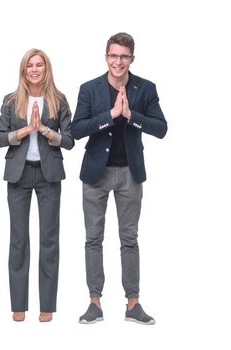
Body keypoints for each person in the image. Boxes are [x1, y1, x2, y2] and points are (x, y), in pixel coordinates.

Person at [71, 32, 167, 325]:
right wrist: (110, 115)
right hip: (95, 174)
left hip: (130, 173)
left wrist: (131, 114)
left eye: (124, 56)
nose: (118, 61)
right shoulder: (89, 89)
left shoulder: (145, 88)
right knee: (93, 238)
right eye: (113, 55)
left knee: (129, 238)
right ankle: (95, 302)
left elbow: (161, 128)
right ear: (106, 57)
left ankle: (133, 303)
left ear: (132, 59)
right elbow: (76, 130)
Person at [0, 49, 74, 322]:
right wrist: (27, 129)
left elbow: (70, 140)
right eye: (30, 65)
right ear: (23, 70)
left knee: (49, 241)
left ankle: (47, 306)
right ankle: (19, 304)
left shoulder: (58, 100)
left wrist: (44, 130)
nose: (35, 69)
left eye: (39, 65)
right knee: (18, 240)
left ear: (46, 69)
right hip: (18, 175)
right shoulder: (11, 100)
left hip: (48, 175)